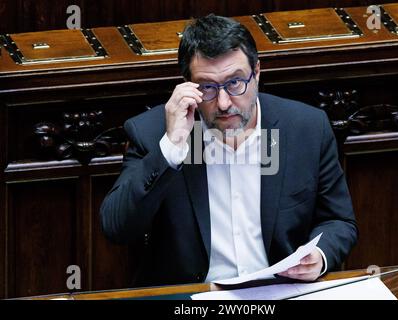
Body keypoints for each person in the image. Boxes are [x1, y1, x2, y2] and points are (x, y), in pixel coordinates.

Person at [100, 14, 357, 287]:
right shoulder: (154, 135)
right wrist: (171, 147)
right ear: (187, 85)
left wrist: (319, 255)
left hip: (279, 291)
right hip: (194, 299)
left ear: (257, 72)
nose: (223, 103)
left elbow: (339, 221)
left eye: (235, 83)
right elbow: (117, 228)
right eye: (207, 88)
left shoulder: (306, 128)